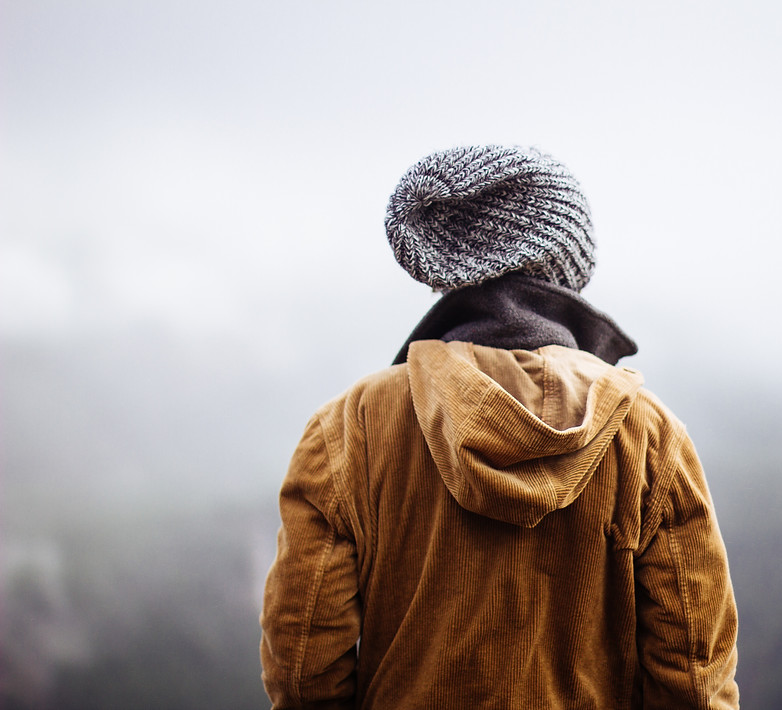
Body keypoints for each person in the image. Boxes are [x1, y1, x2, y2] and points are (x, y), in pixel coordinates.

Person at [259, 145, 739, 709]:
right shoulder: (648, 435)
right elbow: (695, 679)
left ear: (453, 273)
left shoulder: (350, 430)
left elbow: (301, 670)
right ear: (567, 268)